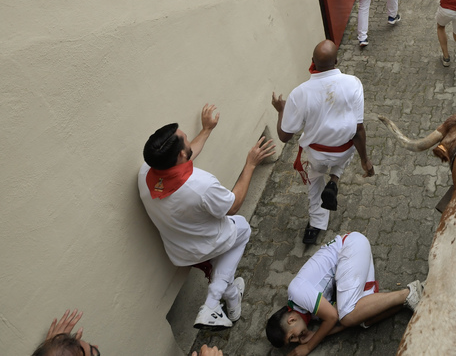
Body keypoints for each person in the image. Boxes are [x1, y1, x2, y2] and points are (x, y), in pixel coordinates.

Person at [138, 104, 276, 329]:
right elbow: (234, 206)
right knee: (241, 228)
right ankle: (212, 301)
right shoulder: (200, 185)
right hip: (208, 245)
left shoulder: (146, 172)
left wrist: (206, 130)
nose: (187, 138)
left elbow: (185, 155)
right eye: (185, 138)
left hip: (179, 251)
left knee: (225, 268)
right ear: (182, 153)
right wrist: (250, 164)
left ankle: (232, 300)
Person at [271, 40, 374, 245]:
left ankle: (316, 225)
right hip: (344, 149)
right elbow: (359, 129)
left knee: (315, 179)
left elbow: (284, 136)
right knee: (347, 148)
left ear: (312, 62)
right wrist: (365, 160)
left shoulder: (299, 93)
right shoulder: (353, 83)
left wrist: (282, 109)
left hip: (317, 154)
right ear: (337, 61)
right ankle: (335, 179)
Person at [265, 233, 423, 355]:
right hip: (352, 263)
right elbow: (342, 322)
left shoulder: (296, 291)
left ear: (291, 319)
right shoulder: (313, 315)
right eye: (294, 341)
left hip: (351, 247)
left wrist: (309, 346)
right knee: (362, 319)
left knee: (348, 314)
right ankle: (409, 299)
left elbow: (334, 317)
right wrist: (318, 334)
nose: (297, 340)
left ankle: (409, 293)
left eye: (292, 337)